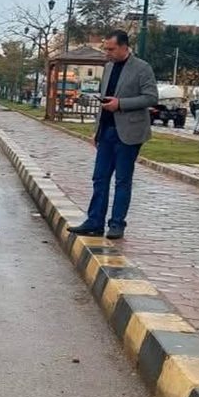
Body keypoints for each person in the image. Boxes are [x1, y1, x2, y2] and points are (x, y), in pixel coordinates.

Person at [69, 28, 158, 241]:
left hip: (128, 133)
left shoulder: (142, 68)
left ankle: (117, 224)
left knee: (122, 181)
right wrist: (97, 131)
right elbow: (105, 98)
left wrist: (121, 104)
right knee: (99, 178)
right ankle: (94, 222)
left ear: (124, 47)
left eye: (111, 49)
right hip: (106, 132)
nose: (107, 52)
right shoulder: (108, 67)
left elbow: (151, 97)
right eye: (105, 48)